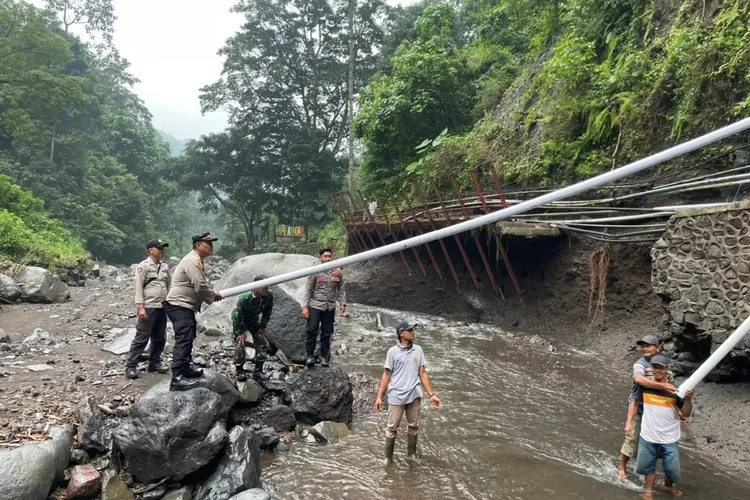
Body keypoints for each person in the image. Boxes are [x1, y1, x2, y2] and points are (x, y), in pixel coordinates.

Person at [625, 355, 694, 499]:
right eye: (654, 367)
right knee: (647, 466)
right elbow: (635, 403)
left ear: (666, 370)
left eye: (660, 368)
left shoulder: (675, 391)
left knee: (672, 468)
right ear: (650, 368)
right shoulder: (645, 386)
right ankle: (648, 490)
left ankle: (669, 486)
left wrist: (688, 399)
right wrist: (629, 423)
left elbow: (686, 413)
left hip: (669, 437)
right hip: (648, 435)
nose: (657, 370)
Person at [374, 320, 442, 464]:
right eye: (409, 330)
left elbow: (423, 374)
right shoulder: (392, 352)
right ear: (401, 334)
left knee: (413, 427)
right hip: (396, 396)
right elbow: (386, 375)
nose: (412, 332)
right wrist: (379, 397)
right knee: (392, 428)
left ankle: (411, 456)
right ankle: (388, 459)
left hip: (414, 395)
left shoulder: (418, 350)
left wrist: (432, 395)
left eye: (413, 329)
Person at [164, 232, 224, 391]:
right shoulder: (193, 261)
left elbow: (200, 284)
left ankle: (184, 368)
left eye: (212, 243)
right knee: (184, 338)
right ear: (198, 245)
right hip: (179, 305)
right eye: (208, 243)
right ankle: (177, 378)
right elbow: (200, 286)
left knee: (189, 336)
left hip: (184, 305)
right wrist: (213, 296)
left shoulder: (197, 261)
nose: (211, 246)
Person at [618, 334, 677, 480]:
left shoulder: (664, 365)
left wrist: (678, 413)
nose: (644, 349)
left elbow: (670, 389)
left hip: (657, 408)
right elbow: (639, 379)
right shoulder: (640, 364)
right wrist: (662, 385)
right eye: (642, 346)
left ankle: (648, 474)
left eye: (648, 345)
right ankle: (621, 467)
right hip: (638, 406)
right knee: (632, 439)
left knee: (655, 442)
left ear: (657, 347)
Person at [125, 239, 171, 379]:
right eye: (159, 248)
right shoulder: (143, 266)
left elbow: (168, 284)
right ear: (151, 250)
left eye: (162, 248)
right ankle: (131, 366)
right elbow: (138, 287)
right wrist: (141, 307)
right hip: (148, 306)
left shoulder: (165, 267)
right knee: (142, 337)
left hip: (161, 307)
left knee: (159, 337)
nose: (162, 250)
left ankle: (154, 362)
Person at [301, 248, 346, 367]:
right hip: (315, 305)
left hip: (330, 307)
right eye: (325, 256)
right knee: (311, 330)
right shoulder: (315, 271)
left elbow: (341, 288)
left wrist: (342, 303)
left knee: (327, 332)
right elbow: (308, 290)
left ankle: (323, 357)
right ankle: (310, 356)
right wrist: (305, 307)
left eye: (330, 256)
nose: (328, 258)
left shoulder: (337, 272)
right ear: (320, 258)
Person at [231, 275, 274, 382]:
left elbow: (267, 311)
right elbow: (236, 315)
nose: (266, 290)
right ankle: (240, 371)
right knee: (240, 343)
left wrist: (263, 326)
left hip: (254, 322)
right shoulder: (245, 298)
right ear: (256, 287)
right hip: (240, 322)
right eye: (263, 287)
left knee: (262, 343)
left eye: (267, 287)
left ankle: (258, 371)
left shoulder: (269, 295)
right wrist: (239, 332)